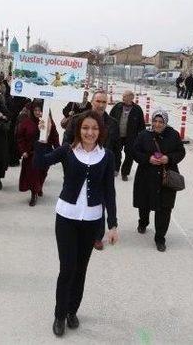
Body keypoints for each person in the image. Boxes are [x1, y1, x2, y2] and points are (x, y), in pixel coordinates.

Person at [34, 111, 118, 337]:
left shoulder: (107, 156)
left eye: (94, 129)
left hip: (92, 220)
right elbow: (39, 162)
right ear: (78, 130)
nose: (90, 133)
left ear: (100, 132)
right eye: (85, 128)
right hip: (66, 218)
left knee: (81, 269)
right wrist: (43, 136)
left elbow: (109, 191)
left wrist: (113, 224)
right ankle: (59, 314)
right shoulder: (67, 151)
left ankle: (73, 311)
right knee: (67, 268)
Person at [133, 110, 186, 252]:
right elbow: (135, 151)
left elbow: (181, 152)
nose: (157, 124)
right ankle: (143, 222)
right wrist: (147, 159)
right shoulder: (144, 135)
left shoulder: (173, 135)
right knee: (144, 203)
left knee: (165, 208)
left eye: (161, 122)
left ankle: (160, 238)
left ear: (165, 122)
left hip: (166, 178)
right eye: (155, 121)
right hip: (146, 176)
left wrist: (168, 158)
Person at [89, 90, 120, 251]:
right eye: (98, 101)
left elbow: (116, 146)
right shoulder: (81, 119)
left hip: (103, 167)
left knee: (101, 201)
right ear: (92, 101)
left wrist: (116, 167)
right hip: (84, 165)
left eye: (104, 102)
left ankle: (97, 236)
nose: (101, 105)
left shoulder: (112, 122)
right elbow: (68, 141)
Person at [17, 101, 59, 206]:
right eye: (35, 110)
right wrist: (23, 151)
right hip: (31, 153)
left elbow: (54, 135)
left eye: (39, 110)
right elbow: (20, 137)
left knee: (42, 173)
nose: (37, 112)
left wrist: (58, 149)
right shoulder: (26, 122)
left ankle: (39, 186)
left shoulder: (48, 121)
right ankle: (34, 193)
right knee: (33, 174)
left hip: (46, 152)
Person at [109, 90, 146, 181]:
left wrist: (141, 138)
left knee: (130, 155)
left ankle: (125, 172)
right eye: (123, 96)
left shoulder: (137, 109)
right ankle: (115, 169)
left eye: (125, 96)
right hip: (117, 135)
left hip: (131, 137)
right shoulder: (117, 107)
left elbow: (142, 125)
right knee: (116, 153)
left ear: (131, 97)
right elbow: (109, 119)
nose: (123, 97)